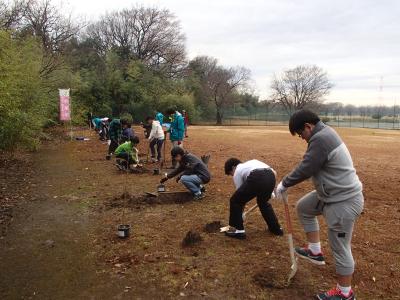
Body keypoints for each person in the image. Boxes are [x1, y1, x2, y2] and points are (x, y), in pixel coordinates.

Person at [275, 109, 363, 300]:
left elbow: (307, 167)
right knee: (304, 207)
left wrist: (284, 183)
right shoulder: (323, 134)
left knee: (340, 246)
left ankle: (345, 293)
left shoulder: (321, 138)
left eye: (301, 134)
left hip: (343, 200)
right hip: (330, 193)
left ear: (309, 126)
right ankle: (315, 251)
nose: (302, 138)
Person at [223, 158, 283, 239]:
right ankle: (276, 229)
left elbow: (240, 199)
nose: (233, 176)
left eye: (231, 174)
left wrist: (239, 216)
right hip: (271, 176)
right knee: (263, 203)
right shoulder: (253, 162)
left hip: (257, 176)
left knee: (235, 201)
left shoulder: (237, 170)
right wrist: (271, 191)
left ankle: (238, 230)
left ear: (233, 167)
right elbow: (273, 173)